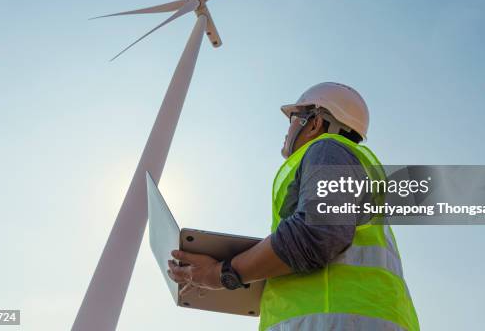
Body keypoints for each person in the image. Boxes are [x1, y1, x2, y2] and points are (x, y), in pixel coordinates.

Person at [167, 82, 419, 331]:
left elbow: (317, 234)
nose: (287, 130)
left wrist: (222, 273)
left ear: (315, 123)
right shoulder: (346, 163)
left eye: (293, 119)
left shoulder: (327, 150)